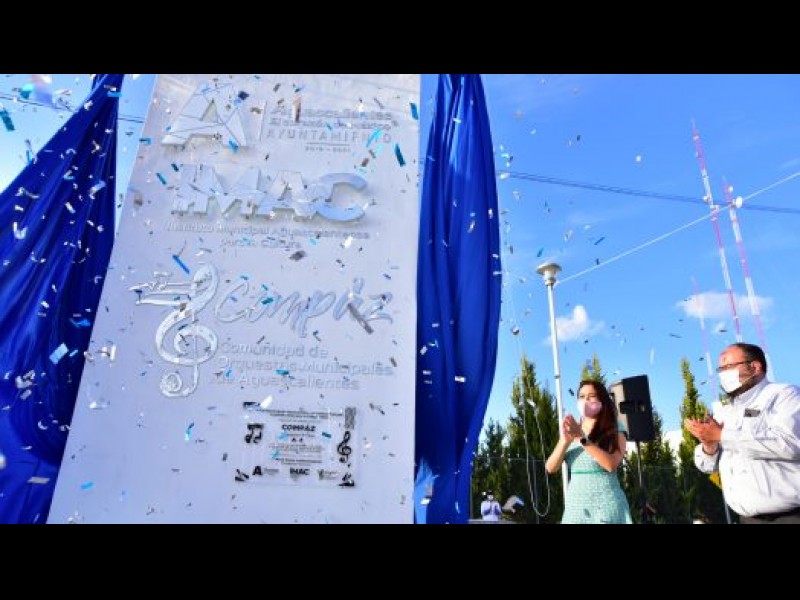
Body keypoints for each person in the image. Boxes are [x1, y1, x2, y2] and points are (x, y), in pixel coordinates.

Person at [684, 342, 800, 524]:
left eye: (729, 366)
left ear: (755, 367)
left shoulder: (783, 395)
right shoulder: (726, 411)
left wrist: (722, 436)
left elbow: (791, 444)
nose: (723, 374)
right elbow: (707, 466)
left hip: (789, 516)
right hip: (747, 519)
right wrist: (709, 445)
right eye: (720, 369)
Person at [545, 380, 632, 524]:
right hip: (576, 509)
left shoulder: (615, 427)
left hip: (606, 507)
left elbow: (611, 464)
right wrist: (564, 441)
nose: (585, 400)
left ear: (602, 400)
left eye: (591, 396)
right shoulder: (573, 428)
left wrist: (581, 438)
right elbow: (550, 467)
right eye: (581, 396)